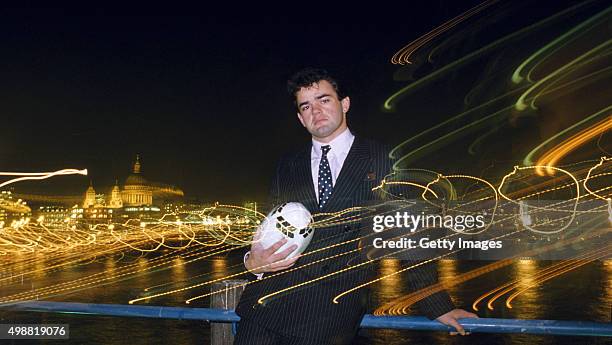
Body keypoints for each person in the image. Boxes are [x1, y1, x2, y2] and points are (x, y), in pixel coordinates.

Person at [234, 68, 476, 345]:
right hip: (262, 310)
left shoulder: (383, 159)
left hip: (327, 317)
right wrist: (252, 263)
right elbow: (267, 231)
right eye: (306, 106)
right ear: (301, 119)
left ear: (344, 103)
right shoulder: (287, 165)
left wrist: (437, 306)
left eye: (324, 100)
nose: (316, 111)